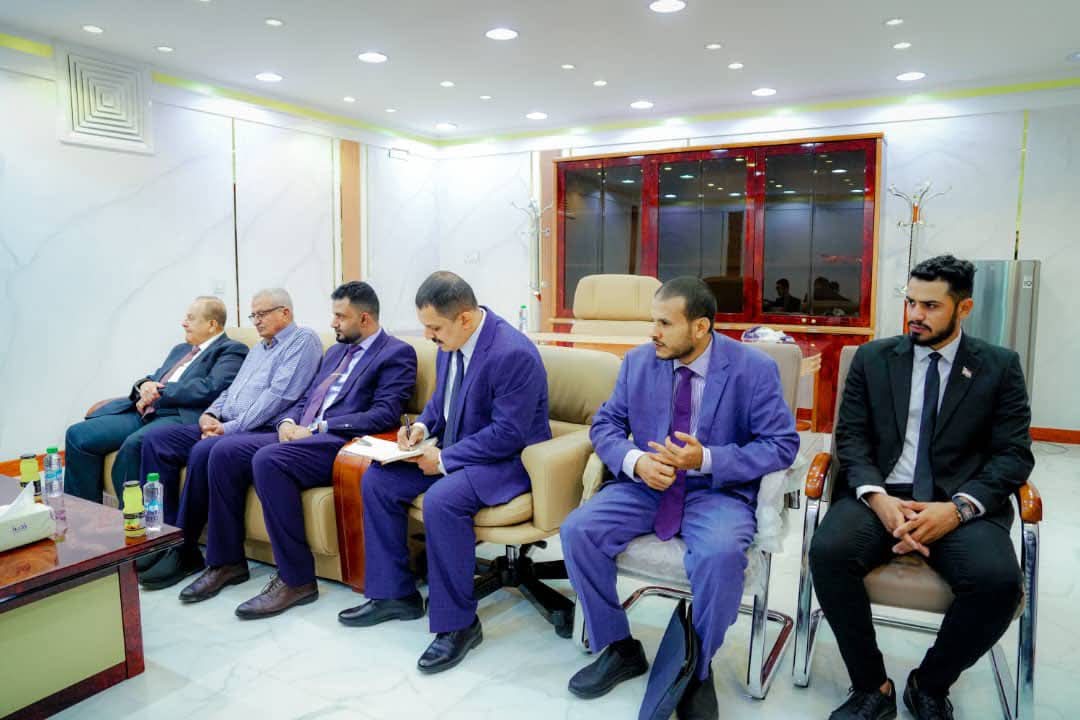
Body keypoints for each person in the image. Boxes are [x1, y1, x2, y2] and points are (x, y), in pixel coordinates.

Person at [561, 276, 799, 719]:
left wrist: (706, 458)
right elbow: (606, 425)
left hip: (716, 492)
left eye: (664, 324)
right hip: (646, 486)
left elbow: (781, 445)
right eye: (653, 321)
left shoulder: (752, 369)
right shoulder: (638, 363)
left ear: (700, 327)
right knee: (578, 531)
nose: (653, 333)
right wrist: (635, 461)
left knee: (720, 556)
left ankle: (696, 668)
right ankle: (619, 646)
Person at [809, 255, 1033, 720]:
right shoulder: (873, 359)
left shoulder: (999, 367)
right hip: (882, 493)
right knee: (829, 552)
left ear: (964, 308)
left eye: (930, 306)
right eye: (911, 302)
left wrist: (958, 509)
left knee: (999, 583)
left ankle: (929, 685)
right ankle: (872, 687)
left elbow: (1013, 454)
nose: (915, 314)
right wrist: (877, 498)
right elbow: (851, 438)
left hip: (958, 502)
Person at [338, 271, 550, 674]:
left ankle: (459, 624)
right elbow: (441, 401)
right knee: (378, 479)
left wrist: (444, 460)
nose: (429, 336)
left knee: (442, 500)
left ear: (465, 318)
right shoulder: (449, 343)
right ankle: (395, 594)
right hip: (458, 451)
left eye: (434, 328)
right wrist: (421, 428)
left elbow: (509, 434)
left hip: (509, 462)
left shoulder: (512, 354)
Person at [176, 282, 417, 617]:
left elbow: (384, 414)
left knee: (269, 460)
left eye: (340, 316)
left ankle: (296, 580)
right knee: (222, 451)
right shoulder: (335, 352)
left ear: (364, 318)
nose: (332, 323)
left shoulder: (396, 353)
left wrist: (319, 428)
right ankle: (226, 562)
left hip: (342, 442)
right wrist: (287, 423)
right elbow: (306, 398)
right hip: (304, 434)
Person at [137, 288, 324, 589]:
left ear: (285, 313)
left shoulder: (303, 341)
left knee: (206, 450)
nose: (256, 321)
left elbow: (278, 397)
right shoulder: (259, 348)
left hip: (262, 428)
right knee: (158, 439)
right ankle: (162, 539)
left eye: (262, 314)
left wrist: (229, 428)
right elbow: (230, 390)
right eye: (253, 315)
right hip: (227, 424)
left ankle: (189, 550)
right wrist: (209, 415)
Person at [64, 296, 247, 503]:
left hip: (179, 415)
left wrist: (159, 391)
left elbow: (211, 387)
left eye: (190, 318)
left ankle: (132, 518)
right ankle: (84, 515)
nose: (183, 323)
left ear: (211, 324)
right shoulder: (181, 349)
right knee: (78, 435)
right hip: (146, 411)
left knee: (134, 445)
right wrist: (144, 386)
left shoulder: (231, 350)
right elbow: (155, 377)